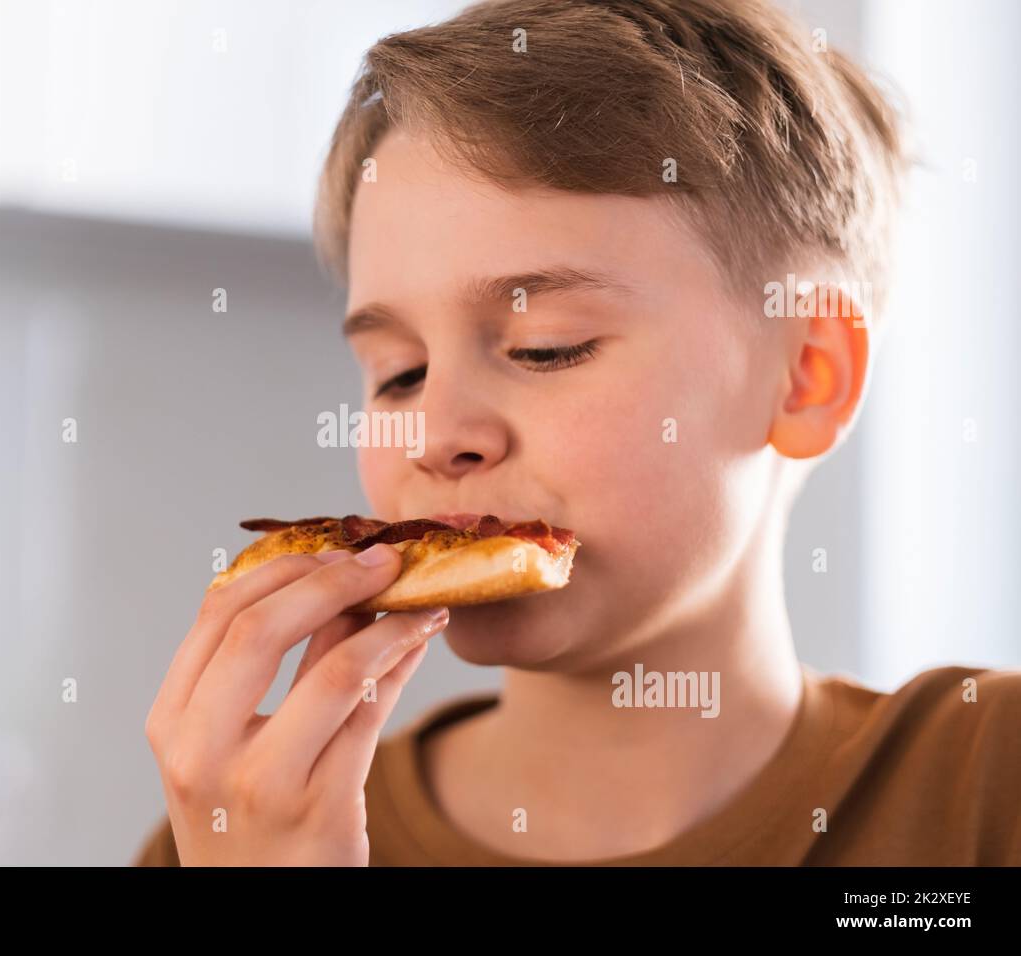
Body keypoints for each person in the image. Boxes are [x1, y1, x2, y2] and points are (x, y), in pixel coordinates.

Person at [135, 0, 1020, 866]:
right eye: (400, 372)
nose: (436, 434)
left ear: (806, 377)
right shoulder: (232, 835)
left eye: (545, 348)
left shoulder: (987, 783)